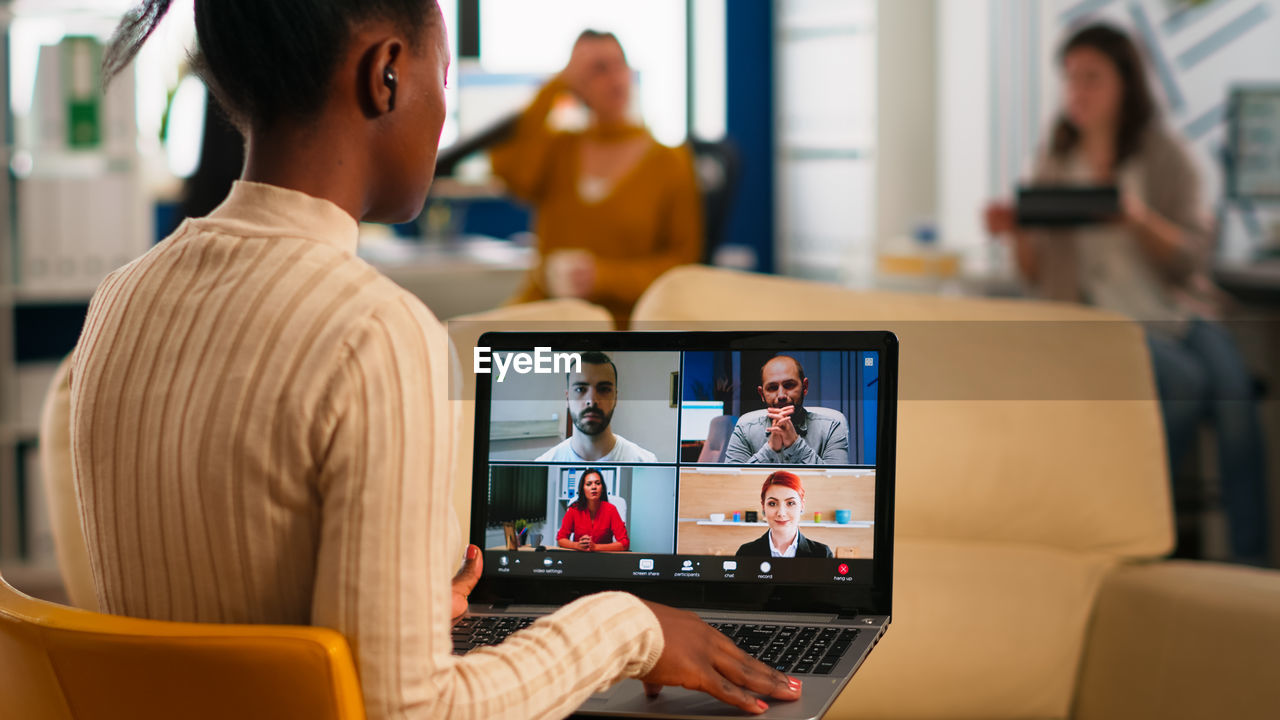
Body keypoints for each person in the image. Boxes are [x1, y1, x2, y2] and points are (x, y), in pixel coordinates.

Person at [72, 2, 802, 717]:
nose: (444, 110)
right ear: (386, 73)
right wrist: (632, 626)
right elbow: (413, 713)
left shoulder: (120, 299)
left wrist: (400, 614)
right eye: (443, 76)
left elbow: (218, 600)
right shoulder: (377, 333)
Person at [985, 23, 1268, 564]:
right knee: (1186, 383)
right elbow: (1034, 276)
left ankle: (1252, 565)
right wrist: (1016, 229)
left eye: (1092, 78)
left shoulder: (1163, 155)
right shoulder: (1055, 159)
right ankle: (1144, 538)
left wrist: (1137, 218)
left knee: (1236, 406)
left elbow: (1192, 256)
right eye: (1071, 79)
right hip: (1105, 323)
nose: (1078, 92)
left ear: (1125, 84)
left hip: (1176, 312)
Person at [489, 30, 703, 328]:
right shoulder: (560, 149)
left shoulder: (670, 162)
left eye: (619, 65)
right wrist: (555, 87)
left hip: (621, 324)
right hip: (546, 313)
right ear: (577, 84)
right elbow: (508, 171)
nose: (614, 77)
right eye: (597, 69)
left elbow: (683, 265)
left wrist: (603, 277)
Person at [723, 356, 850, 465]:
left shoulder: (831, 428)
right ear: (762, 394)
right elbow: (732, 483)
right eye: (772, 388)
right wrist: (770, 449)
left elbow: (838, 483)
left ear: (804, 387)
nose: (781, 395)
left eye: (789, 385)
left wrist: (795, 444)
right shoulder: (744, 430)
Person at [536, 351, 658, 462]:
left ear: (615, 398)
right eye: (580, 389)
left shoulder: (646, 462)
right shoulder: (544, 463)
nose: (592, 401)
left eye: (604, 389)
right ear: (567, 398)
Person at [736, 471, 833, 559]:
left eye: (790, 503)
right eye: (772, 503)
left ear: (802, 505)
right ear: (763, 506)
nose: (781, 513)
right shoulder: (745, 553)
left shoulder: (822, 554)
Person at [556, 469, 629, 552]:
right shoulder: (574, 509)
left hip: (604, 559)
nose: (594, 487)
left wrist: (595, 547)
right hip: (579, 557)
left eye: (597, 483)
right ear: (583, 489)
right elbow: (561, 539)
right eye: (588, 484)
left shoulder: (611, 510)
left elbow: (624, 543)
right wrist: (577, 545)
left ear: (602, 488)